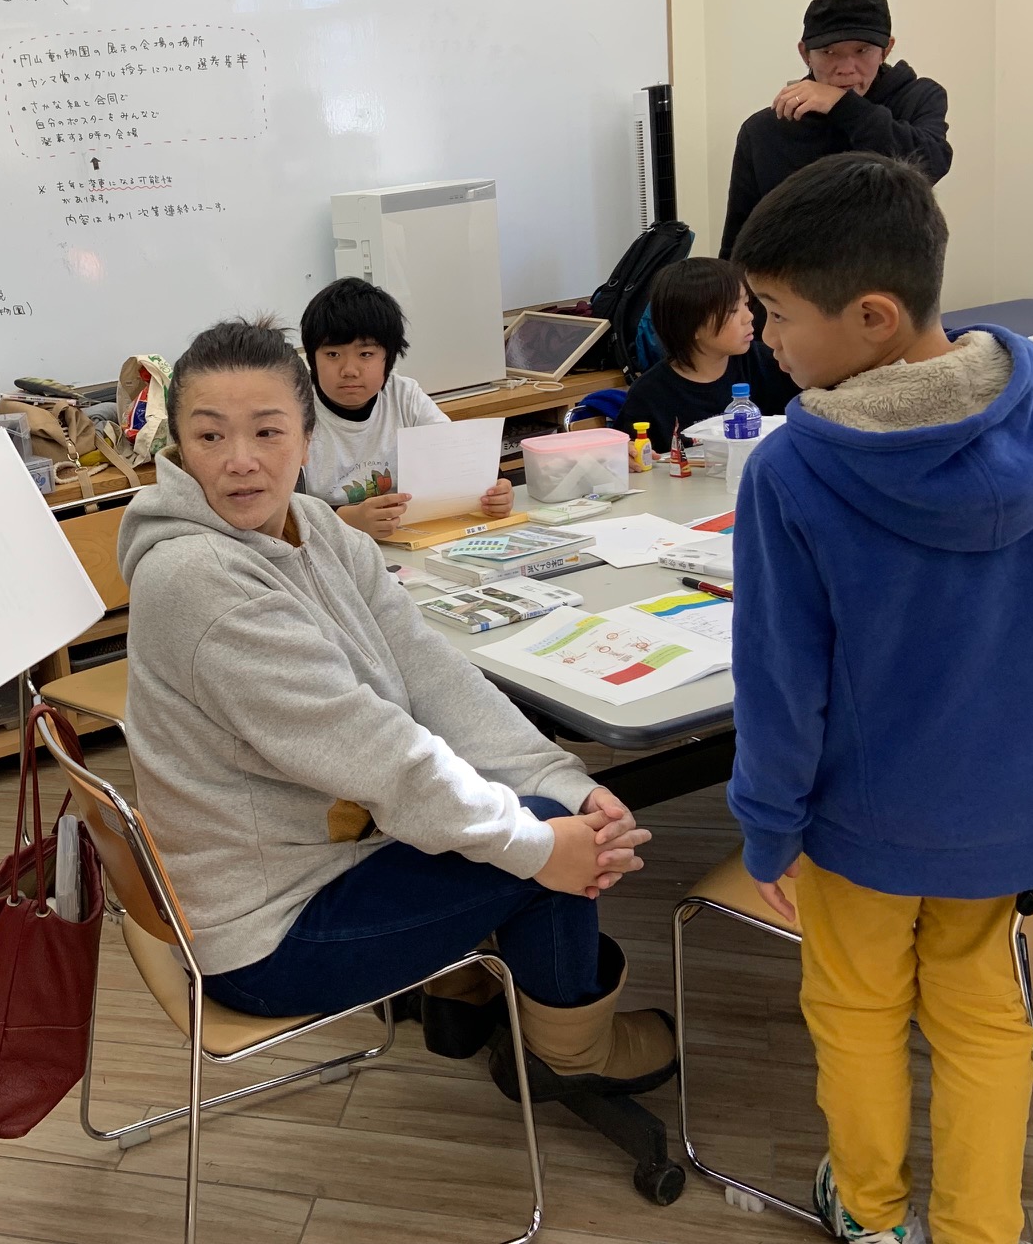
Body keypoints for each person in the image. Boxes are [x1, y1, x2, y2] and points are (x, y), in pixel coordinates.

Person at [727, 152, 1033, 1244]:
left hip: (866, 818)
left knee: (857, 1013)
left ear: (873, 315)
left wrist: (766, 828)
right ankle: (980, 1228)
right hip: (1022, 808)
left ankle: (871, 1211)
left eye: (778, 315)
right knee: (984, 1012)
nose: (765, 340)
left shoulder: (795, 472)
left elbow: (780, 684)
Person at [115, 317, 677, 1104]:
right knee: (541, 844)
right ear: (178, 447)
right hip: (267, 936)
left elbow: (427, 669)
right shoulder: (198, 578)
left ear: (307, 439)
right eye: (210, 437)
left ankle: (462, 997)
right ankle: (571, 1054)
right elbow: (380, 754)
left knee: (545, 812)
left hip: (322, 861)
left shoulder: (311, 525)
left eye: (268, 431)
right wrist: (542, 841)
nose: (240, 460)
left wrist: (564, 780)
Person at [720, 0, 951, 259]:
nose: (846, 68)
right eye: (829, 52)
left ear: (886, 50)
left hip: (891, 276)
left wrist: (843, 105)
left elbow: (930, 165)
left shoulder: (918, 97)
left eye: (862, 50)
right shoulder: (765, 129)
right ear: (805, 54)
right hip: (793, 279)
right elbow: (739, 240)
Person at [298, 277, 512, 540]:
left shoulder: (403, 395)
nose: (349, 370)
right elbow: (279, 512)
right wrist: (346, 519)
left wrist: (495, 492)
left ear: (389, 358)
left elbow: (459, 458)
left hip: (406, 538)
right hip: (325, 545)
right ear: (312, 358)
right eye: (333, 355)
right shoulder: (295, 408)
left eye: (365, 354)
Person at [614, 257, 796, 454]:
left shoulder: (772, 363)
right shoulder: (649, 395)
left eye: (746, 303)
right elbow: (628, 455)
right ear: (690, 326)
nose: (749, 316)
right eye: (733, 310)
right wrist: (626, 453)